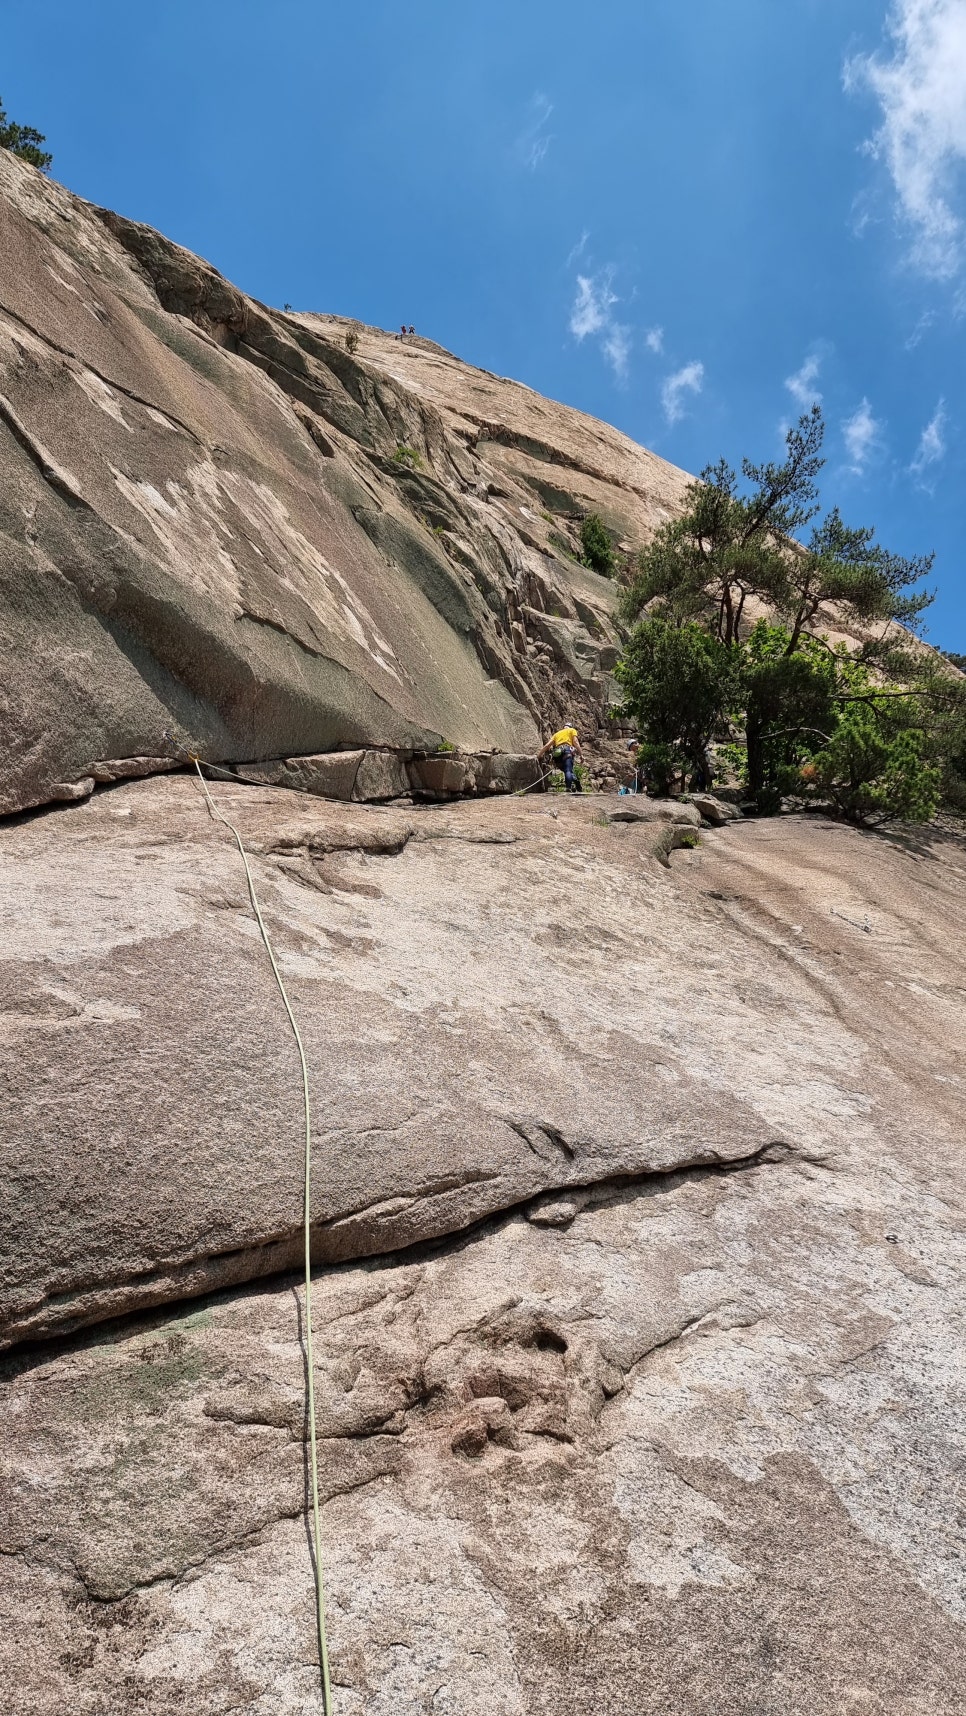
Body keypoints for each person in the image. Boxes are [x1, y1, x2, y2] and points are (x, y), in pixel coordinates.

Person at [538, 724, 583, 792]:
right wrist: (581, 754)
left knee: (566, 770)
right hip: (567, 751)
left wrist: (539, 755)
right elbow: (575, 742)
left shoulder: (557, 734)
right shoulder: (572, 730)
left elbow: (547, 745)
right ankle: (568, 787)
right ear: (570, 727)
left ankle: (576, 782)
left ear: (563, 727)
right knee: (568, 770)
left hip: (557, 753)